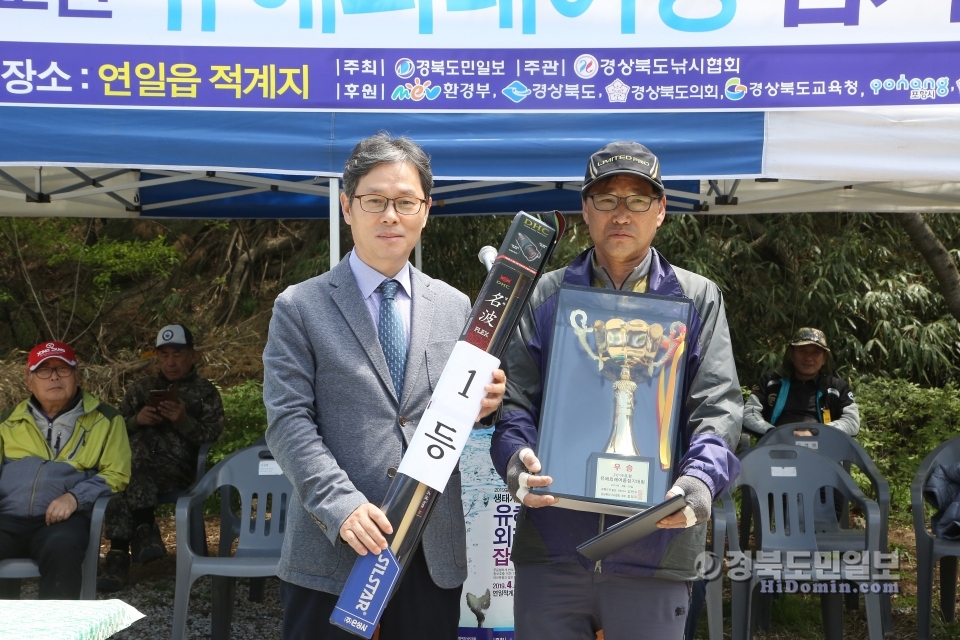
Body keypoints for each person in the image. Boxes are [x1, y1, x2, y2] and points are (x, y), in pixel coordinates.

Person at [491, 141, 743, 640]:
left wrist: (698, 483)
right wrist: (517, 460)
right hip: (552, 546)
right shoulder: (548, 295)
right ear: (586, 211)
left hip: (657, 550)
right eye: (606, 199)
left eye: (638, 200)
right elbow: (515, 403)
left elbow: (717, 407)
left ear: (661, 211)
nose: (621, 213)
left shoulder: (696, 299)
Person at [263, 132, 506, 640]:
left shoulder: (457, 306)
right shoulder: (300, 307)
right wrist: (342, 504)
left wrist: (484, 406)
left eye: (405, 202)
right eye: (374, 201)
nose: (390, 215)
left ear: (425, 210)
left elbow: (453, 412)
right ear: (348, 208)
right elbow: (288, 423)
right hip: (335, 546)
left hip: (430, 549)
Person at [98, 324, 224, 591]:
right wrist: (136, 420)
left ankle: (122, 552)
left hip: (177, 469)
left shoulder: (205, 392)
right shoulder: (141, 388)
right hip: (137, 469)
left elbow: (212, 435)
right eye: (164, 355)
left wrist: (183, 420)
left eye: (177, 354)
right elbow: (113, 429)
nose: (171, 362)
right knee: (123, 473)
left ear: (192, 355)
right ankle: (137, 539)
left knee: (127, 466)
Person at [0, 341, 130, 599]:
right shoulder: (7, 421)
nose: (54, 377)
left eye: (63, 369)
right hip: (6, 518)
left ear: (76, 374)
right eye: (44, 371)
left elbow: (117, 472)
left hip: (62, 522)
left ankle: (56, 630)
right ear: (30, 381)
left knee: (63, 548)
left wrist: (74, 497)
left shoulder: (106, 419)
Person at [742, 327, 860, 438]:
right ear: (791, 354)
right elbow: (748, 414)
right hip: (776, 448)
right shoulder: (771, 381)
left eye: (815, 353)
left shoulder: (837, 388)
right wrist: (774, 433)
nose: (808, 358)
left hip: (822, 452)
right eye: (802, 351)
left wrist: (815, 433)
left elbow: (852, 422)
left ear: (824, 357)